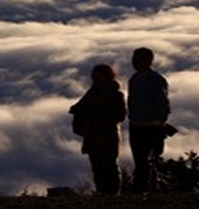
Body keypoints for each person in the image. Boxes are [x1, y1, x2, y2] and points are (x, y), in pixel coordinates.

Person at [69, 64, 127, 195]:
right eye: (95, 77)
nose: (96, 79)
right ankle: (102, 192)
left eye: (99, 76)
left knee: (109, 165)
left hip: (107, 135)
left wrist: (99, 116)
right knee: (97, 166)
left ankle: (112, 193)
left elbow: (120, 115)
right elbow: (79, 106)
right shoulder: (92, 93)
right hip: (93, 135)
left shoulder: (115, 95)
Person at [127, 47, 171, 193]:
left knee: (148, 161)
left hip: (152, 126)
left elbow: (162, 102)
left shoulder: (156, 80)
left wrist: (160, 122)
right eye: (134, 59)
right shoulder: (134, 79)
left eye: (139, 59)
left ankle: (146, 189)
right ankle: (143, 189)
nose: (135, 62)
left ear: (149, 61)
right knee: (140, 160)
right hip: (136, 125)